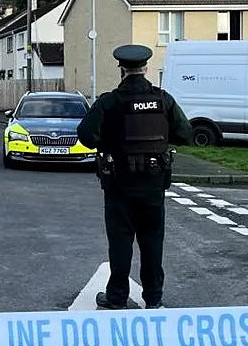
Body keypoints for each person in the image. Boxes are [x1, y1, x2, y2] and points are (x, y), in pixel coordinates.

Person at [75, 44, 192, 310]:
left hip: (120, 183)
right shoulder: (164, 100)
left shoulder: (109, 102)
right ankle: (154, 297)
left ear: (121, 69)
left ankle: (116, 297)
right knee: (152, 241)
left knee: (120, 241)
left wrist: (107, 141)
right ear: (147, 68)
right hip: (153, 184)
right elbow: (185, 133)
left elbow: (85, 135)